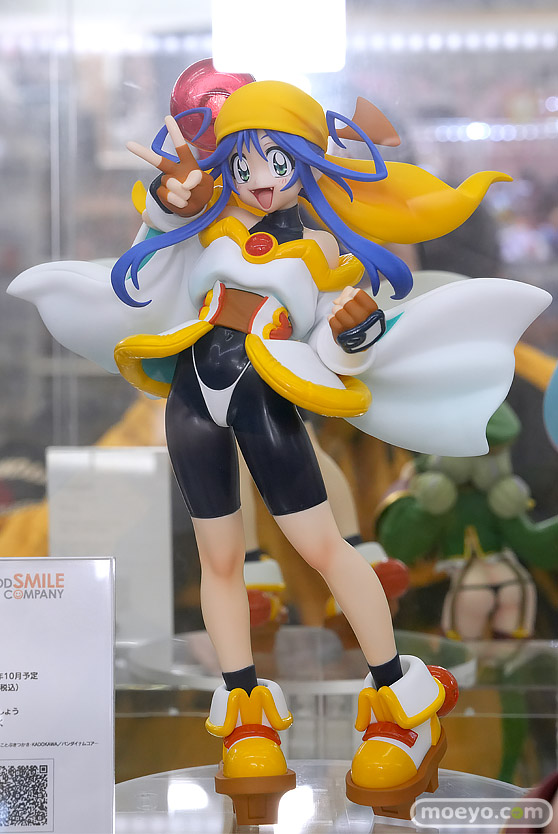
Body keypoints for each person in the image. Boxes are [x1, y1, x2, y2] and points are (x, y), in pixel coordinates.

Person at [8, 72, 551, 823]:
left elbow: (333, 338)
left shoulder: (322, 253)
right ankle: (246, 715)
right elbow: (148, 277)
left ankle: (401, 701)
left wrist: (357, 331)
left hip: (266, 398)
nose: (260, 179)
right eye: (244, 162)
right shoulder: (210, 230)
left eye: (279, 162)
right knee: (221, 561)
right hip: (194, 399)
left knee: (327, 548)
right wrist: (168, 207)